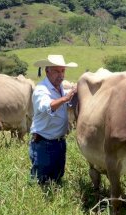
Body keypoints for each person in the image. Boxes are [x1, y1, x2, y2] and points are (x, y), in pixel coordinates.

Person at [29, 54, 77, 184]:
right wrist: (65, 99)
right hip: (43, 144)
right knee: (41, 181)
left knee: (57, 179)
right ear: (47, 71)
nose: (60, 75)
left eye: (62, 71)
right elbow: (48, 106)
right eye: (56, 71)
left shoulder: (60, 88)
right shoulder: (41, 90)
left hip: (59, 143)